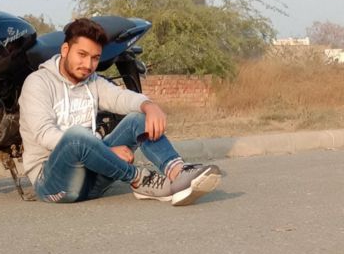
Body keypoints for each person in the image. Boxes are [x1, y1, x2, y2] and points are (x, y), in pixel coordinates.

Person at [18, 18, 221, 205]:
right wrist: (105, 151)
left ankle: (178, 174)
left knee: (138, 118)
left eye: (95, 58)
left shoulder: (92, 81)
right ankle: (140, 179)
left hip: (94, 176)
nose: (88, 65)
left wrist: (149, 106)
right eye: (82, 55)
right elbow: (45, 134)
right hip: (54, 183)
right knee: (76, 137)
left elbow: (119, 98)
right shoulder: (38, 83)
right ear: (65, 50)